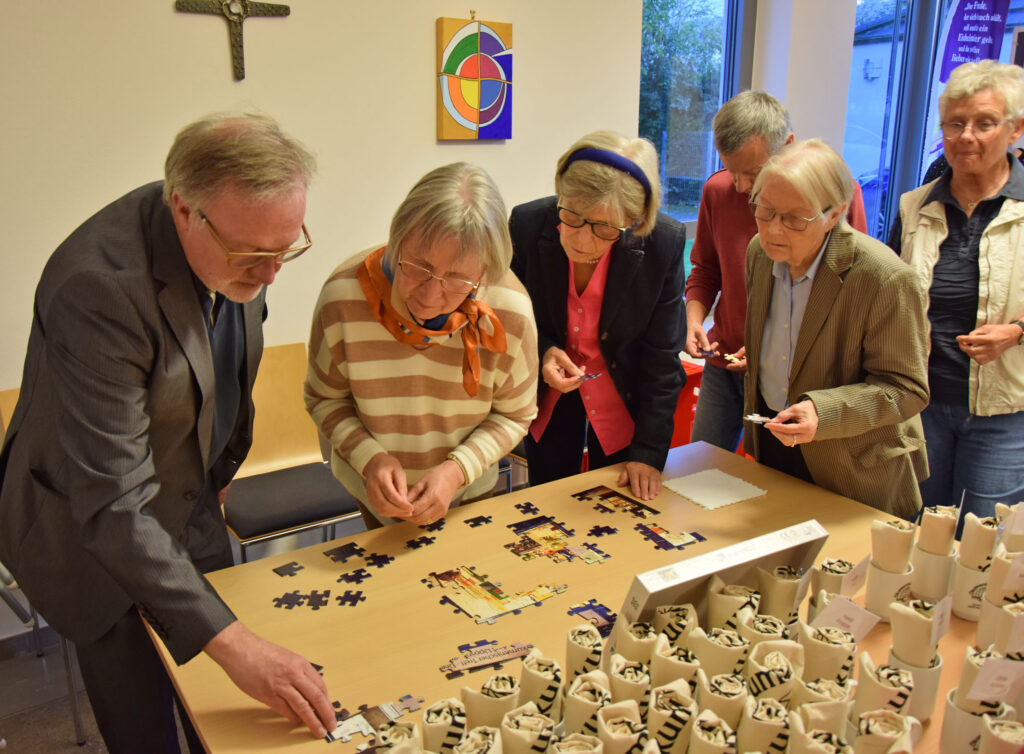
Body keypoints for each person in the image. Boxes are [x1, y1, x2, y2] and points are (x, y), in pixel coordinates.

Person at [0, 114, 335, 751]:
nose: (270, 276)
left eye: (285, 250)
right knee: (144, 726)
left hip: (188, 497)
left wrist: (218, 477)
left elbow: (226, 377)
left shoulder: (240, 242)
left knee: (221, 715)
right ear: (184, 209)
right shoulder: (97, 288)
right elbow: (112, 504)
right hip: (88, 533)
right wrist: (236, 646)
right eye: (253, 256)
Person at [305, 163, 538, 529]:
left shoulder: (510, 312)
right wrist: (371, 459)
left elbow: (515, 414)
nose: (430, 295)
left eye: (458, 280)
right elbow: (324, 398)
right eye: (417, 266)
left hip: (470, 491)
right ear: (396, 239)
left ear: (485, 272)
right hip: (373, 492)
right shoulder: (343, 298)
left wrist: (455, 471)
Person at [743, 139, 930, 519]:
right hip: (775, 447)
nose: (774, 230)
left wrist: (822, 412)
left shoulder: (884, 277)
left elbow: (907, 388)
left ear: (834, 214)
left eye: (794, 218)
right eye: (765, 211)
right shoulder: (758, 253)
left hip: (853, 469)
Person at [685, 91, 868, 452]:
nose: (741, 186)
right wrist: (694, 320)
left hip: (796, 375)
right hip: (725, 364)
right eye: (731, 170)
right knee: (699, 467)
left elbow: (847, 296)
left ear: (787, 146)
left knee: (771, 483)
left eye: (752, 172)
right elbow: (705, 270)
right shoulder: (718, 191)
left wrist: (772, 350)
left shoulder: (835, 197)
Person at [509, 131, 686, 501]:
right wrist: (543, 351)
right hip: (550, 401)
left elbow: (662, 358)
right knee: (550, 503)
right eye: (572, 216)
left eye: (605, 229)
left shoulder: (662, 243)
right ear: (560, 192)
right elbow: (509, 318)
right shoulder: (526, 225)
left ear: (634, 223)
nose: (582, 241)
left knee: (619, 507)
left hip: (625, 399)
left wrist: (649, 453)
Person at [890, 60, 1024, 527]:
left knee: (979, 547)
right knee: (915, 532)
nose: (967, 136)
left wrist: (1017, 331)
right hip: (921, 404)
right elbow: (885, 292)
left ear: (1015, 129)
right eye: (955, 123)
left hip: (1002, 415)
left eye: (985, 123)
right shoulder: (914, 206)